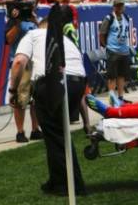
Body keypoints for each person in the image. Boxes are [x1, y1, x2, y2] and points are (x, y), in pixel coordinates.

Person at [8, 18, 87, 196]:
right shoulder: (65, 39)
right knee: (59, 133)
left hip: (53, 83)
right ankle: (57, 180)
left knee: (55, 135)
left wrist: (13, 90)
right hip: (78, 82)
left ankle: (70, 184)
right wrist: (86, 122)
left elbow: (19, 62)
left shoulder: (32, 35)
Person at [5, 1, 43, 143]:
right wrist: (17, 23)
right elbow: (8, 40)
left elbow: (41, 36)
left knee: (36, 100)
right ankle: (20, 131)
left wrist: (34, 20)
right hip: (21, 64)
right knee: (20, 100)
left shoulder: (33, 21)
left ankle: (35, 129)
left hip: (35, 63)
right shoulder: (13, 22)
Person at [99, 0, 131, 104]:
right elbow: (102, 33)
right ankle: (112, 99)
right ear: (114, 7)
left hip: (124, 50)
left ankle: (121, 97)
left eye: (122, 5)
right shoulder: (109, 18)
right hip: (113, 50)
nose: (120, 7)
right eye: (118, 5)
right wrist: (106, 46)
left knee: (121, 75)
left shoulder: (126, 17)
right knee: (112, 76)